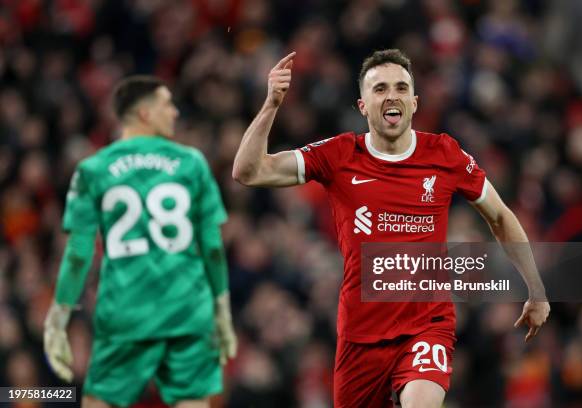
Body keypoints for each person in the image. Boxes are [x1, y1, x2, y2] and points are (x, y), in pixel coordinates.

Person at [232, 49, 550, 408]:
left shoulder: (445, 154)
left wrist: (535, 287)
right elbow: (248, 171)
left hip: (427, 324)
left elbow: (501, 217)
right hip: (361, 334)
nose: (392, 96)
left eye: (401, 87)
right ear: (362, 105)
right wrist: (272, 103)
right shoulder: (338, 156)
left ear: (414, 102)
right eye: (380, 89)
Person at [43, 76, 237, 408]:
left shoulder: (93, 169)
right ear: (145, 113)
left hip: (127, 310)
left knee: (99, 401)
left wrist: (58, 317)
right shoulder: (191, 163)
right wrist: (221, 308)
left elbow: (78, 254)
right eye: (167, 104)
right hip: (186, 309)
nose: (175, 112)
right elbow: (214, 249)